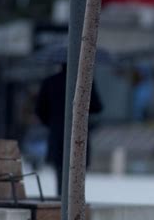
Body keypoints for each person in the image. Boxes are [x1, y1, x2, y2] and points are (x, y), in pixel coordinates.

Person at [35, 63, 103, 196]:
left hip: (57, 135)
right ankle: (74, 206)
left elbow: (39, 110)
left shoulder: (50, 82)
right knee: (77, 177)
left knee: (60, 175)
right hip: (79, 134)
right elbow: (97, 106)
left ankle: (62, 203)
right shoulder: (85, 82)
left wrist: (52, 123)